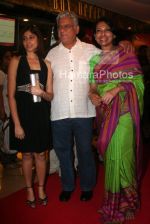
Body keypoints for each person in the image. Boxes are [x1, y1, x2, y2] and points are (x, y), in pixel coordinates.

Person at [46, 11, 133, 202]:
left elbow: (111, 59)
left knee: (85, 151)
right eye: (60, 27)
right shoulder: (51, 54)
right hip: (59, 111)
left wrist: (124, 46)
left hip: (83, 111)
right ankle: (68, 185)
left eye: (67, 26)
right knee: (63, 152)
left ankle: (87, 186)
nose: (63, 30)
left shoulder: (91, 50)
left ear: (76, 29)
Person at [89, 17, 144, 223]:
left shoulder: (126, 54)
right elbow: (93, 86)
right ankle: (114, 202)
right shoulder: (94, 60)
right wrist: (92, 94)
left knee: (124, 154)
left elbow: (138, 84)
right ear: (95, 36)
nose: (102, 34)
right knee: (112, 156)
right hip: (106, 113)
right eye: (98, 31)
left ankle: (129, 202)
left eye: (106, 30)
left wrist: (117, 88)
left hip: (124, 111)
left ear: (113, 34)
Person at [8, 25, 53, 208]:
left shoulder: (46, 64)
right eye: (25, 38)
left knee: (41, 155)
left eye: (32, 37)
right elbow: (11, 95)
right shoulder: (16, 61)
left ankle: (41, 188)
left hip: (41, 113)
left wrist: (41, 92)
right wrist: (17, 124)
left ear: (39, 39)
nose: (28, 41)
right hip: (23, 114)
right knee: (26, 155)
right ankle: (29, 189)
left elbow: (50, 95)